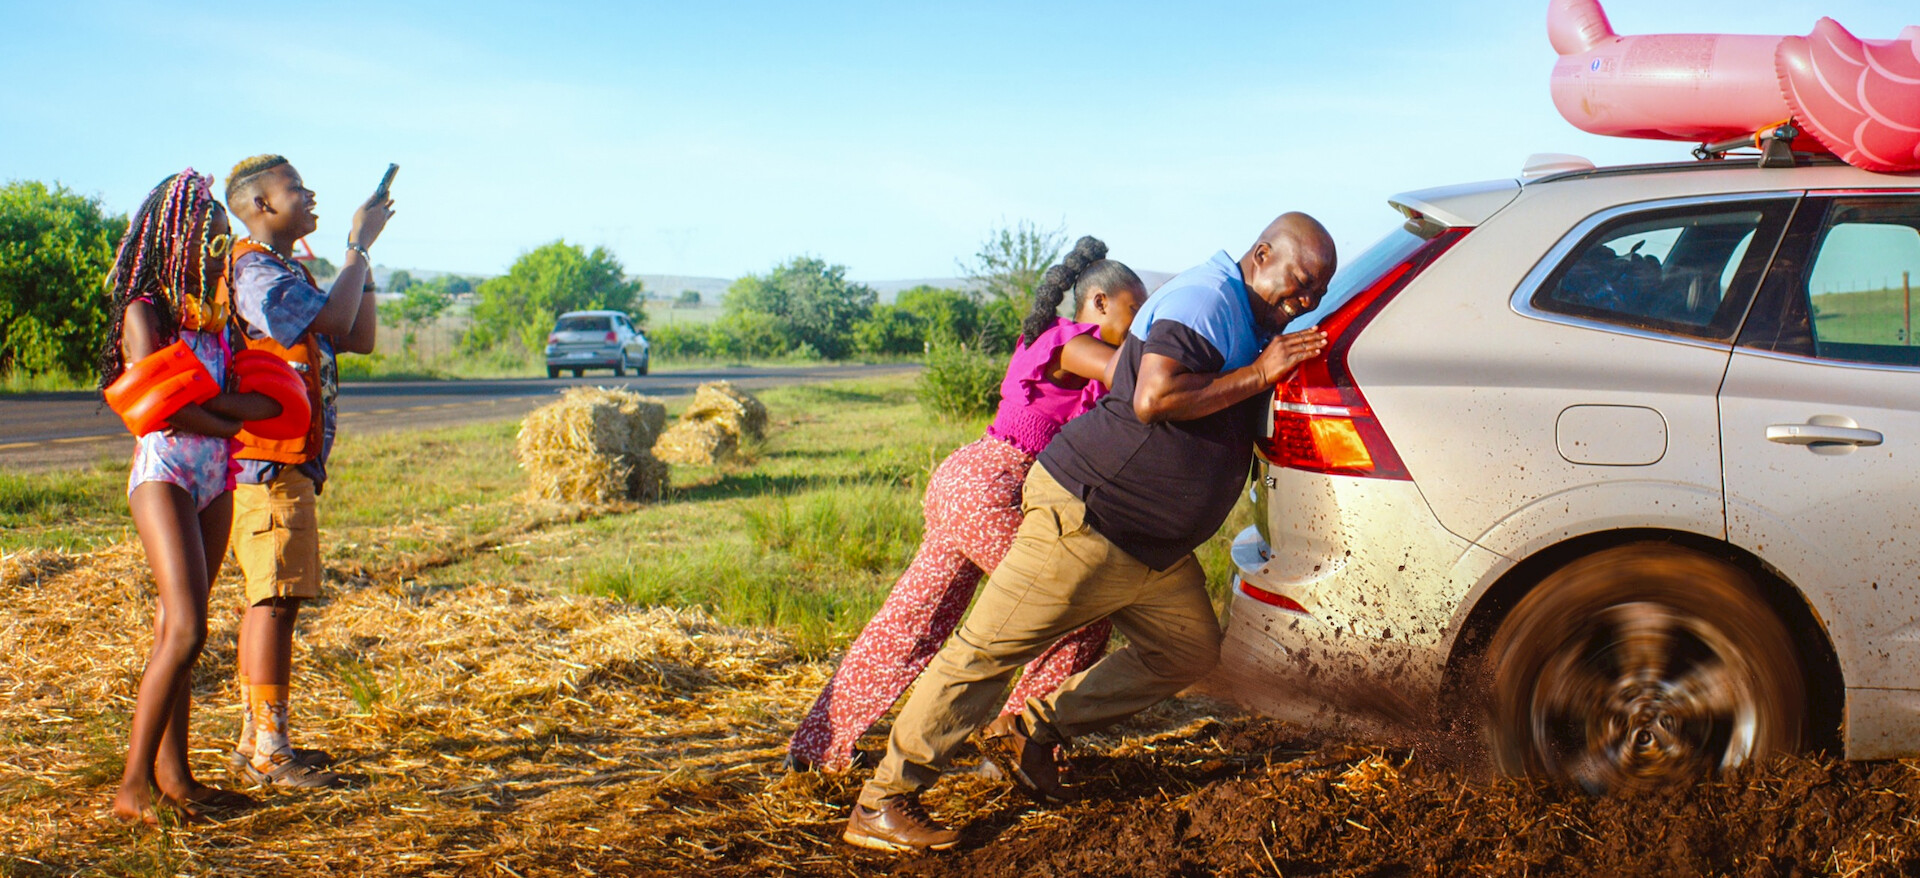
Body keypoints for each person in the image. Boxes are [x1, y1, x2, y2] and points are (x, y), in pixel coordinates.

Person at [843, 213, 1336, 853]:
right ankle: (882, 801)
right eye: (1301, 281)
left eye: (1319, 291)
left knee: (1187, 654)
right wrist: (1261, 374)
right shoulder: (1207, 299)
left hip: (1150, 545)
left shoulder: (1247, 314)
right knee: (985, 653)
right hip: (1090, 517)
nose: (1307, 299)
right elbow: (1153, 399)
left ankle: (1032, 731)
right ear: (1262, 254)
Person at [786, 236, 1147, 772]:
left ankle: (818, 751)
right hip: (996, 486)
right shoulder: (1070, 342)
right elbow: (1132, 376)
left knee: (912, 620)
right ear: (1099, 302)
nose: (1140, 327)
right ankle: (1016, 746)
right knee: (1076, 609)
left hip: (971, 480)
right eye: (1135, 311)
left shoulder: (1064, 349)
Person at [102, 169, 284, 825]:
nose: (216, 245)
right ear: (172, 236)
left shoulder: (215, 320)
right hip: (167, 475)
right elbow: (157, 407)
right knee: (186, 628)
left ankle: (175, 778)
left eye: (220, 234)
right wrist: (225, 417)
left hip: (217, 478)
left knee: (178, 628)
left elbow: (259, 401)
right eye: (205, 233)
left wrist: (216, 412)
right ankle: (132, 788)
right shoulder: (144, 312)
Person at [220, 154, 393, 788]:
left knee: (276, 600)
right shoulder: (255, 271)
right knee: (274, 600)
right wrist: (356, 246)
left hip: (288, 461)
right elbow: (332, 320)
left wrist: (361, 262)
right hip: (270, 462)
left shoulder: (287, 269)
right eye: (294, 187)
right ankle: (271, 749)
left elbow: (356, 335)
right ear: (261, 205)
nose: (309, 193)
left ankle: (255, 742)